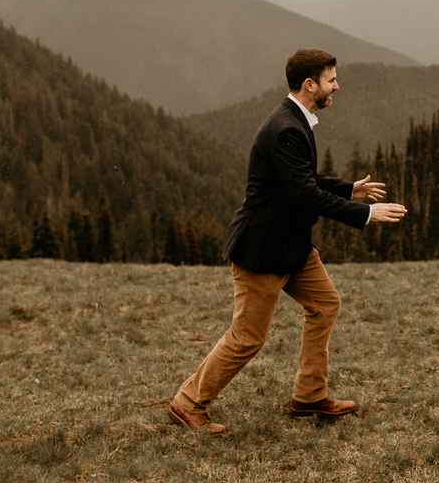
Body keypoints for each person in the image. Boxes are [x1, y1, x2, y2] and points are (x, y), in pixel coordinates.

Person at [169, 48, 406, 435]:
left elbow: (304, 179)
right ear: (310, 85)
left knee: (325, 304)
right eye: (331, 80)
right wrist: (365, 214)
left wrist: (350, 189)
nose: (337, 85)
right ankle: (188, 404)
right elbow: (306, 196)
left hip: (291, 246)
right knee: (246, 338)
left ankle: (310, 395)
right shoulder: (285, 129)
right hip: (262, 250)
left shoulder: (296, 120)